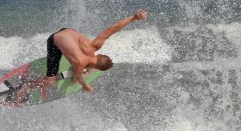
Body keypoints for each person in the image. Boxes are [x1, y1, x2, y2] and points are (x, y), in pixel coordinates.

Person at [14, 9, 148, 103]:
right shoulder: (79, 64)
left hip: (67, 30)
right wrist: (85, 85)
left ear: (99, 55)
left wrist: (134, 17)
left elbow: (112, 29)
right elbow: (77, 77)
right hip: (54, 42)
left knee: (74, 55)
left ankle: (66, 52)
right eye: (95, 68)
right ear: (96, 65)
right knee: (51, 81)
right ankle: (27, 85)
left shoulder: (94, 46)